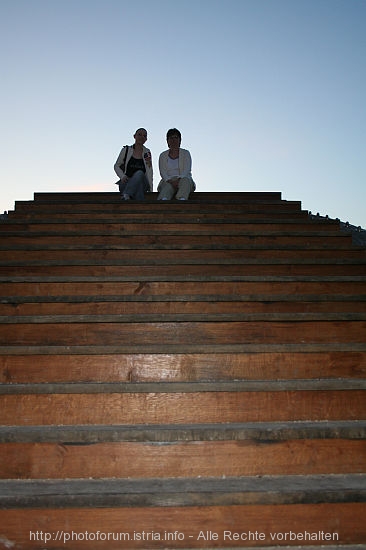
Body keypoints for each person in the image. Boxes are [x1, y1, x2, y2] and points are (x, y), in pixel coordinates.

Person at [114, 128, 153, 200]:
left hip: (143, 181)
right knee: (139, 187)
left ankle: (126, 194)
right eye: (139, 135)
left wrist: (151, 189)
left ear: (146, 139)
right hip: (126, 182)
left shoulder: (147, 152)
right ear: (134, 136)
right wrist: (122, 176)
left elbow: (150, 170)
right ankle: (139, 207)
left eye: (144, 136)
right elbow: (116, 165)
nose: (142, 137)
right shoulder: (126, 150)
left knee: (139, 173)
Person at [157, 128, 195, 200]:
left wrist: (178, 180)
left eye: (176, 138)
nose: (173, 140)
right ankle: (163, 201)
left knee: (185, 181)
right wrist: (170, 181)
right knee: (167, 187)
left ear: (180, 140)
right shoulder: (162, 155)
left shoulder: (186, 153)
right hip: (168, 180)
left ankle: (182, 199)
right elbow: (163, 172)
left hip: (183, 179)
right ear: (167, 141)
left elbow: (187, 170)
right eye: (171, 138)